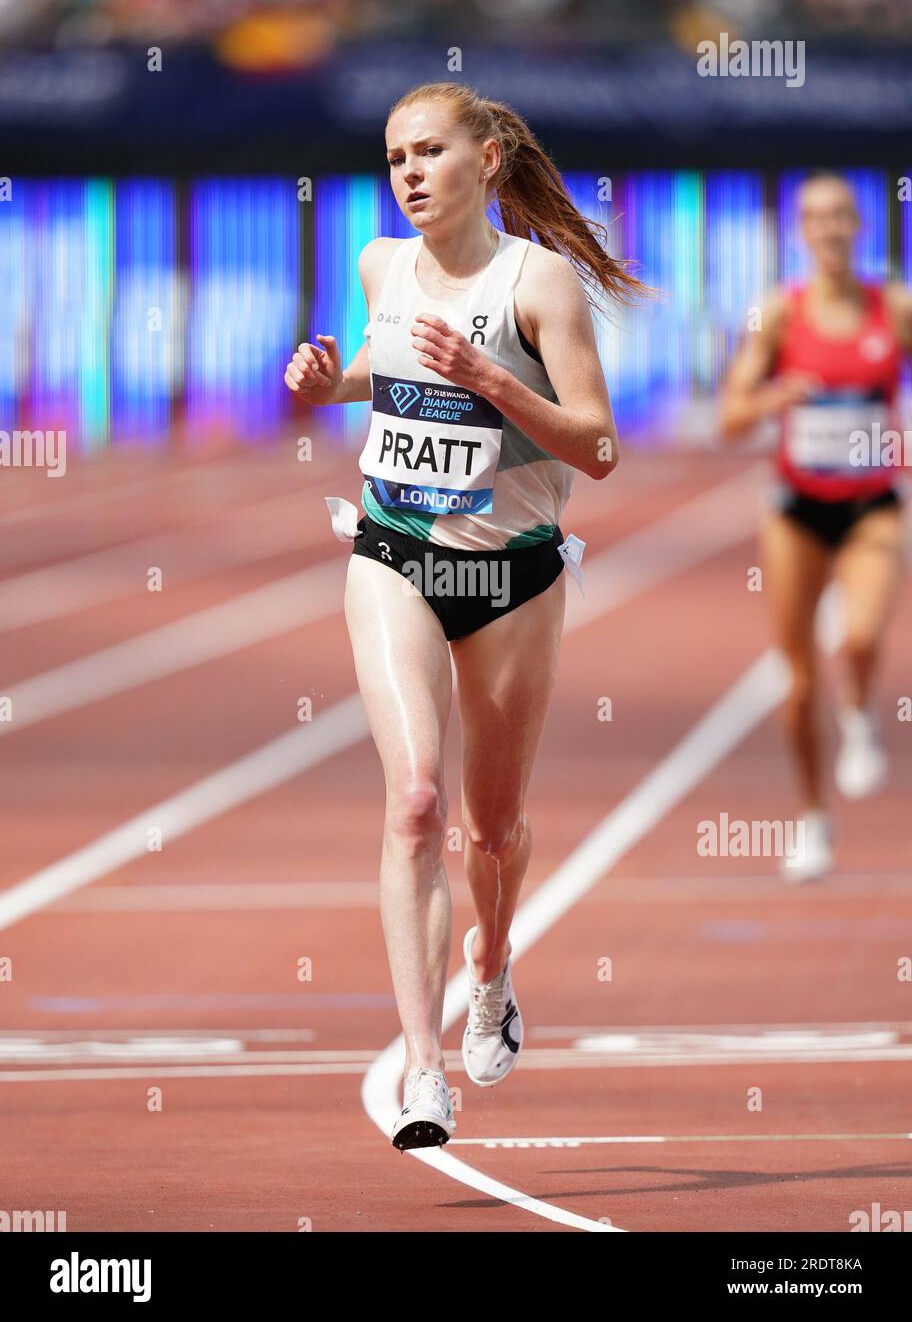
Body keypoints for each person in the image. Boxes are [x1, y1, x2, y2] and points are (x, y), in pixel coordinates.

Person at [285, 81, 644, 1150]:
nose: (407, 172)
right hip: (393, 550)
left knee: (490, 827)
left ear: (487, 160)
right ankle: (424, 1070)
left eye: (429, 150)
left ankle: (490, 969)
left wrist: (493, 378)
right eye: (394, 154)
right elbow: (381, 376)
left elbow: (600, 448)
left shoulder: (541, 287)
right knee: (414, 801)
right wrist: (324, 384)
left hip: (515, 578)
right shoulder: (379, 264)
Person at [719, 173, 909, 882]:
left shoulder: (893, 306)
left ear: (857, 225)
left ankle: (860, 711)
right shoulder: (779, 314)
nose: (828, 228)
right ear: (802, 230)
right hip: (797, 510)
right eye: (815, 218)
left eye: (840, 216)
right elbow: (731, 418)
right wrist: (775, 396)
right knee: (798, 685)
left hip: (872, 507)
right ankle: (813, 819)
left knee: (860, 637)